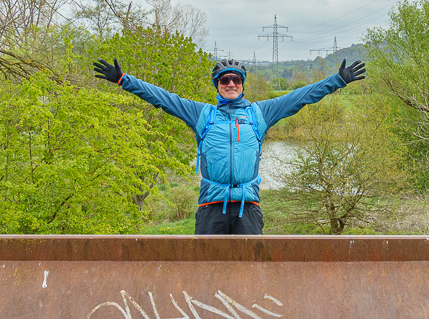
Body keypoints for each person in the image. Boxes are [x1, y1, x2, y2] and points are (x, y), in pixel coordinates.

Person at [92, 56, 366, 234]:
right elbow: (162, 98)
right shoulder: (203, 115)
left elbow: (299, 97)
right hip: (211, 207)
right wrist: (122, 79)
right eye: (225, 80)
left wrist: (337, 81)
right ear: (217, 85)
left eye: (236, 80)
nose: (231, 83)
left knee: (251, 275)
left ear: (242, 84)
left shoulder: (259, 113)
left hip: (248, 206)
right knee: (206, 274)